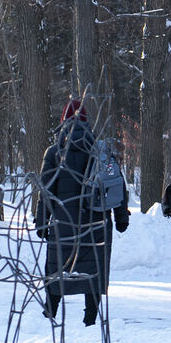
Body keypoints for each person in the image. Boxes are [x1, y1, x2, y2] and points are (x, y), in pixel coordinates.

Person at [35, 99, 129, 325]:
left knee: (58, 267)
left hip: (63, 222)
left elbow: (45, 190)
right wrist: (121, 218)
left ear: (63, 121)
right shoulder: (100, 150)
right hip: (96, 221)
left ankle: (50, 313)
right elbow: (117, 184)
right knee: (92, 270)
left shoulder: (55, 152)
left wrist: (42, 222)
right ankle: (90, 319)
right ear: (87, 121)